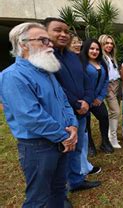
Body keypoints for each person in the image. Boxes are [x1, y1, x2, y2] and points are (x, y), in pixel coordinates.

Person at [0, 22, 78, 207]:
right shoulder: (12, 76)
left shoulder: (46, 72)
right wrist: (65, 136)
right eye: (43, 40)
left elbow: (64, 102)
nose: (50, 45)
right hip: (38, 147)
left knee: (59, 189)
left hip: (62, 142)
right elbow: (31, 116)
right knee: (39, 198)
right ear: (24, 44)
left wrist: (73, 126)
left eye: (49, 41)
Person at [45, 17, 101, 192]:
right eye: (57, 30)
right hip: (62, 114)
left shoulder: (73, 56)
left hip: (82, 111)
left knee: (77, 147)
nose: (63, 34)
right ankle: (61, 191)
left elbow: (87, 81)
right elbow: (55, 87)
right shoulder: (44, 58)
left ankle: (76, 181)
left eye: (66, 31)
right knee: (62, 152)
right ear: (44, 32)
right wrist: (76, 103)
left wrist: (87, 100)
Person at [81, 39, 114, 155]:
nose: (94, 51)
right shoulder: (81, 63)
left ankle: (105, 142)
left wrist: (100, 97)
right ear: (86, 49)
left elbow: (105, 81)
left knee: (104, 117)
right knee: (86, 122)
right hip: (84, 99)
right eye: (91, 48)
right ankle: (89, 145)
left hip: (97, 99)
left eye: (97, 49)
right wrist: (87, 99)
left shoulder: (101, 63)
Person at [98, 34, 122, 149]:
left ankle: (110, 134)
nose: (109, 45)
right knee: (116, 112)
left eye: (111, 43)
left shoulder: (111, 56)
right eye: (106, 43)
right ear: (101, 43)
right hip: (108, 86)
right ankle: (112, 138)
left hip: (117, 83)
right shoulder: (100, 57)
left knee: (114, 112)